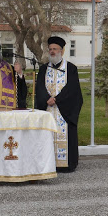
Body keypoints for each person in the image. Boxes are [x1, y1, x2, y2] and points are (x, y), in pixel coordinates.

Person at [34, 36, 83, 172]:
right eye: (50, 49)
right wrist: (46, 98)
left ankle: (67, 164)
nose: (52, 52)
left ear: (62, 51)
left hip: (64, 110)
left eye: (55, 49)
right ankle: (49, 164)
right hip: (48, 109)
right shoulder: (44, 69)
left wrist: (57, 99)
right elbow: (40, 87)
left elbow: (72, 89)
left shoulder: (71, 68)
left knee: (66, 134)